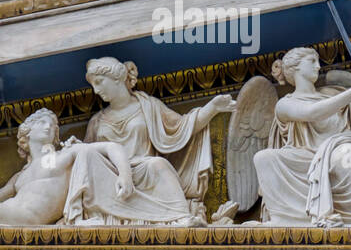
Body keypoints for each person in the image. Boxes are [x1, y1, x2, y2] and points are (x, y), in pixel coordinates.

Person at [253, 47, 351, 227]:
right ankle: (287, 220)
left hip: (342, 144)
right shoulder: (285, 104)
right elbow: (312, 112)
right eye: (312, 61)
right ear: (296, 67)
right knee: (263, 158)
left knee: (341, 159)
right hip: (307, 157)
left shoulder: (330, 94)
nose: (318, 66)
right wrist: (350, 94)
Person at [82, 56, 235, 222]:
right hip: (113, 179)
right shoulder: (97, 121)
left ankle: (183, 217)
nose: (96, 90)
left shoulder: (149, 106)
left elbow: (183, 128)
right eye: (93, 85)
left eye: (99, 82)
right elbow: (86, 159)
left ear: (116, 77)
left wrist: (212, 108)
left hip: (144, 170)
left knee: (157, 164)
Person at [0, 109, 137, 226]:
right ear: (27, 131)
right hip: (10, 216)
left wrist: (125, 175)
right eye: (41, 123)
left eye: (53, 125)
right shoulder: (20, 175)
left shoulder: (66, 154)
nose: (48, 126)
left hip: (26, 218)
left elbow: (111, 147)